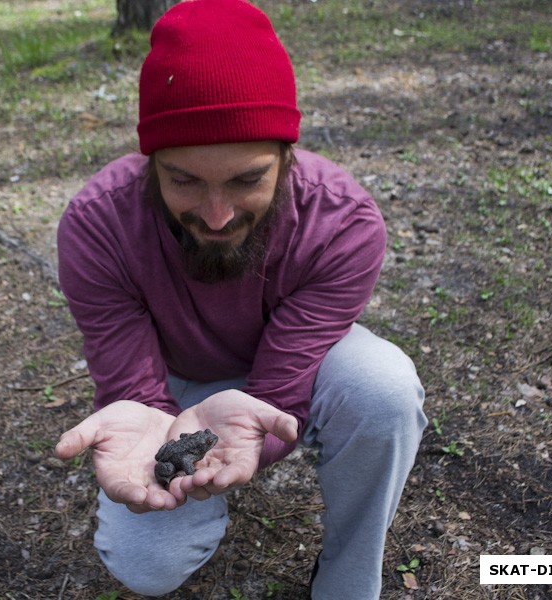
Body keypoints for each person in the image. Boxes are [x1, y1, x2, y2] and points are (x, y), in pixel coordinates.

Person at [54, 0, 427, 597]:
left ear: (286, 156)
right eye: (184, 181)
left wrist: (250, 435)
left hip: (291, 372)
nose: (217, 214)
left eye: (247, 179)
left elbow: (281, 388)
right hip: (170, 387)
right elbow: (131, 383)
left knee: (382, 387)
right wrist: (165, 438)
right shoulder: (97, 225)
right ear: (151, 162)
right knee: (145, 565)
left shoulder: (344, 222)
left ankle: (348, 580)